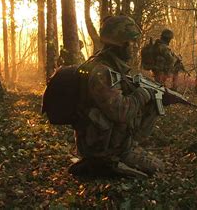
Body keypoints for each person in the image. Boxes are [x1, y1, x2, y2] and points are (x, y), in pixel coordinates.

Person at [68, 15, 164, 178]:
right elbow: (121, 112)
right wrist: (142, 94)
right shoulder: (102, 71)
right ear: (120, 44)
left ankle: (125, 150)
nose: (134, 47)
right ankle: (106, 162)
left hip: (110, 143)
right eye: (131, 43)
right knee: (157, 169)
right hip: (101, 147)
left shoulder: (112, 66)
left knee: (158, 165)